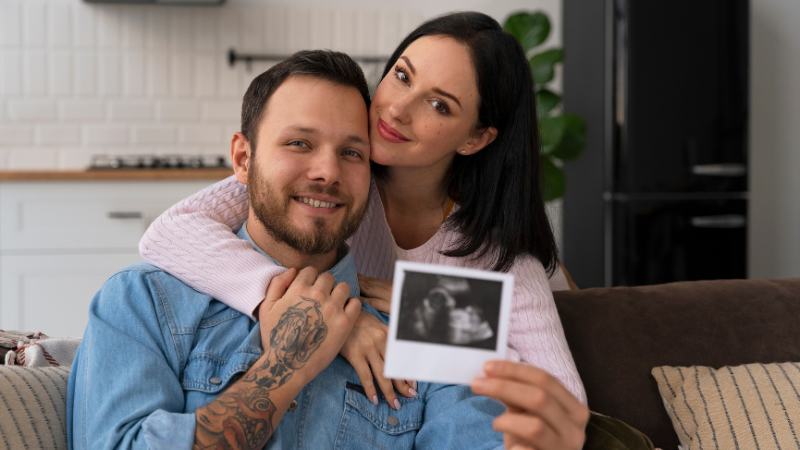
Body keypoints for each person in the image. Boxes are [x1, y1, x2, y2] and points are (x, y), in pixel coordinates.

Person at [68, 50, 589, 450]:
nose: (327, 171)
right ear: (243, 159)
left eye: (351, 152)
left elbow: (538, 410)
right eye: (299, 143)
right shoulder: (140, 302)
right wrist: (288, 366)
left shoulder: (434, 317)